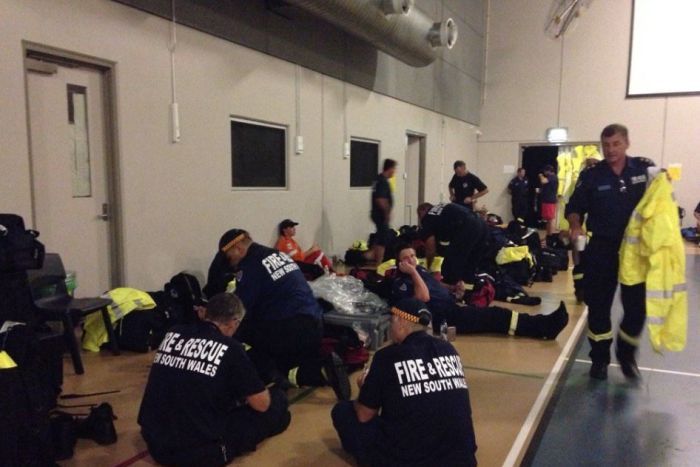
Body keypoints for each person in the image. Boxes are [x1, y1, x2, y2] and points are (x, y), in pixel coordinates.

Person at [138, 293, 291, 466]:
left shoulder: (173, 333)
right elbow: (261, 404)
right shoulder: (231, 348)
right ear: (234, 322)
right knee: (277, 405)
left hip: (155, 442)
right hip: (200, 453)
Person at [331, 297, 477, 467]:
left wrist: (366, 390)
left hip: (409, 460)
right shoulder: (449, 349)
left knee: (343, 412)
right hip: (462, 459)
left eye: (392, 321)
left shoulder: (387, 357)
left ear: (400, 322)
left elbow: (364, 416)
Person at [206, 228, 350, 399]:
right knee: (285, 368)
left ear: (237, 248)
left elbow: (239, 310)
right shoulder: (277, 255)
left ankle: (257, 377)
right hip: (314, 325)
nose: (232, 265)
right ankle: (322, 371)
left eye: (230, 258)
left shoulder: (250, 266)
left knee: (236, 331)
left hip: (289, 329)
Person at [565, 123, 654, 381]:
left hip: (635, 251)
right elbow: (574, 207)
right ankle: (600, 358)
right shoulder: (592, 175)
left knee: (636, 309)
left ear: (627, 143)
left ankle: (626, 356)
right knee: (599, 306)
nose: (611, 150)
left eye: (616, 144)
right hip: (602, 248)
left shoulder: (644, 169)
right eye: (606, 145)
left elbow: (661, 198)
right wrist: (575, 224)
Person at [392, 244, 568, 339]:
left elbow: (434, 286)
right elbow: (423, 297)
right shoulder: (402, 281)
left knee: (494, 313)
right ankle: (545, 327)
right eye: (406, 258)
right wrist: (413, 272)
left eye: (413, 256)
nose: (411, 260)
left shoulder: (419, 271)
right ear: (399, 263)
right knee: (497, 316)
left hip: (454, 306)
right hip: (445, 319)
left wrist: (452, 289)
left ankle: (541, 324)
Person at [416, 202, 488, 289]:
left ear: (423, 211)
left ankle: (449, 292)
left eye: (419, 215)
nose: (420, 219)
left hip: (466, 226)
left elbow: (430, 246)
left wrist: (428, 266)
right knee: (471, 263)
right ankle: (468, 292)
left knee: (451, 262)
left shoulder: (428, 218)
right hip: (482, 224)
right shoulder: (441, 209)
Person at [368, 159, 397, 263]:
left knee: (380, 235)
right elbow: (381, 199)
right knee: (383, 238)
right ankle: (378, 262)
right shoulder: (383, 182)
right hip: (380, 214)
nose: (394, 171)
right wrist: (387, 213)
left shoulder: (378, 179)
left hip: (376, 213)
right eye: (394, 169)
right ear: (389, 169)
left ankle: (372, 256)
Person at [538, 164, 558, 236]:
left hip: (550, 200)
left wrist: (540, 176)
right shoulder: (551, 177)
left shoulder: (552, 177)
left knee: (550, 218)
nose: (544, 173)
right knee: (547, 219)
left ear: (548, 171)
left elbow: (543, 181)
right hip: (546, 200)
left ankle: (550, 234)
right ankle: (548, 234)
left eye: (545, 172)